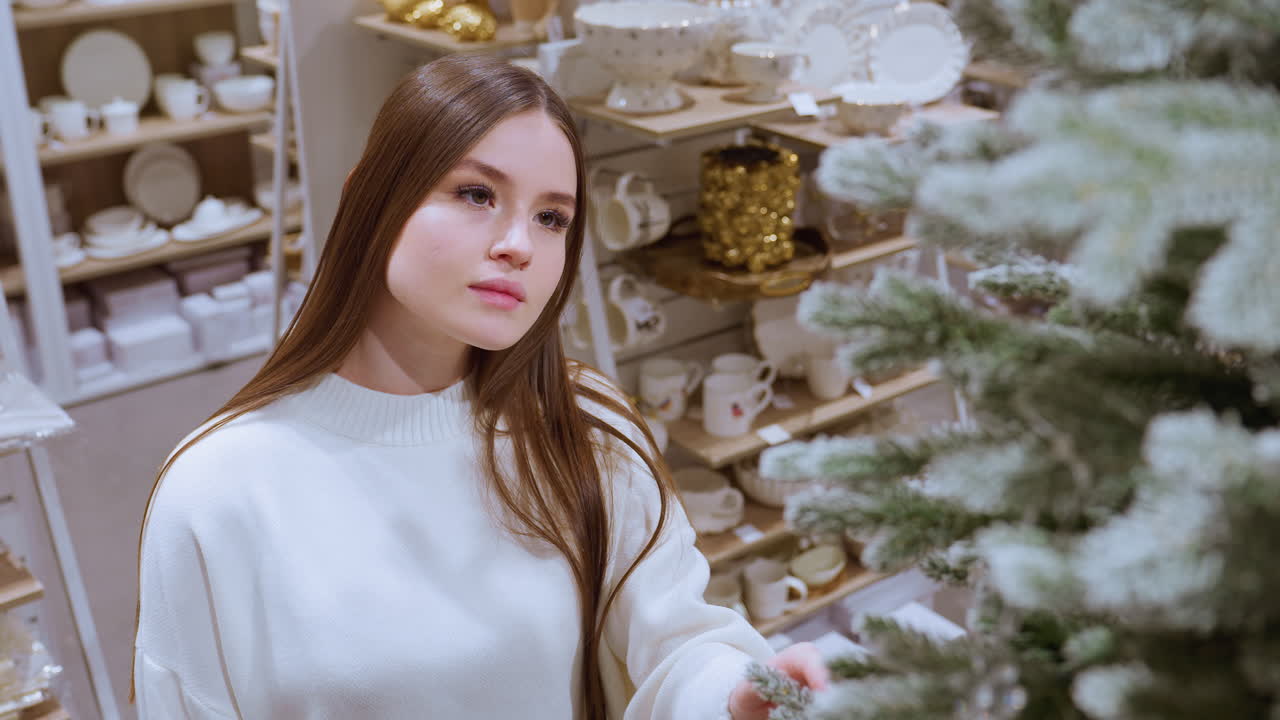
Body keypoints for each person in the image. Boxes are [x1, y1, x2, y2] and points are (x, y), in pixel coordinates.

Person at [131, 54, 827, 719]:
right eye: (476, 194)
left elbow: (671, 640)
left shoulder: (584, 423)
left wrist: (732, 694)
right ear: (367, 202)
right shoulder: (218, 489)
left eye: (551, 217)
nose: (518, 244)